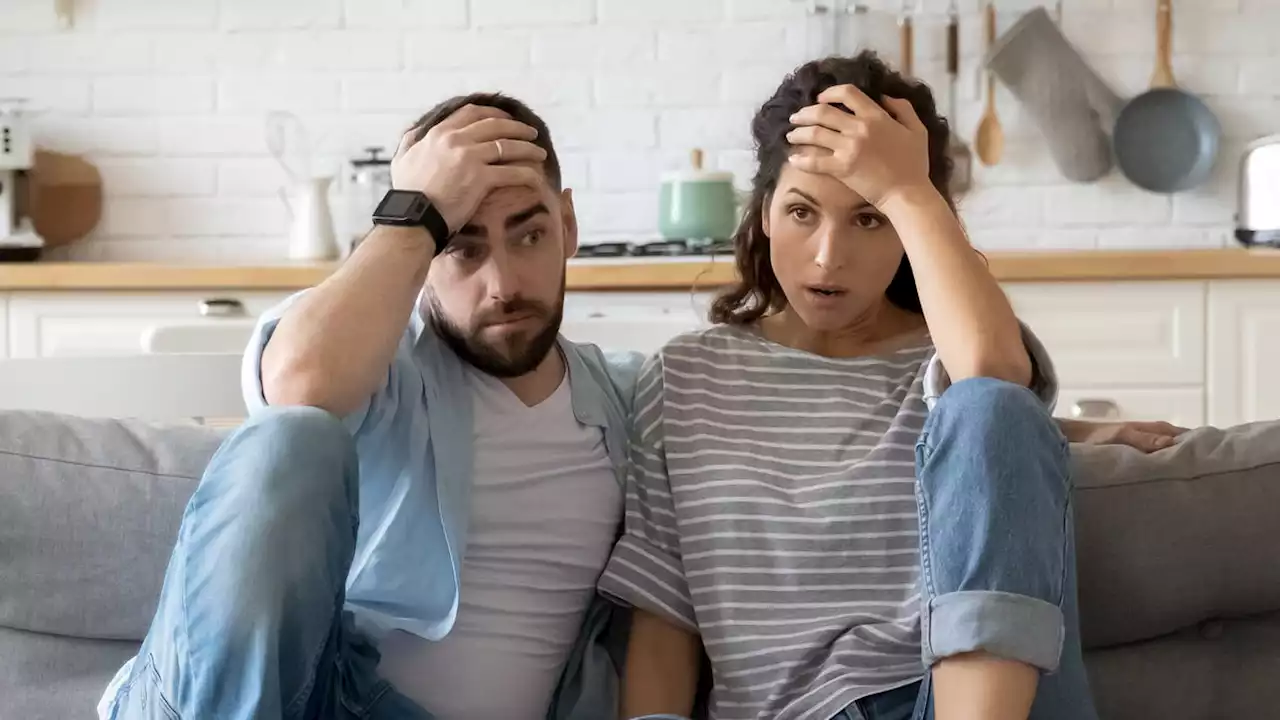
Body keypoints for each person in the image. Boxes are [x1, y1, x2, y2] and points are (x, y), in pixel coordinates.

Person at [596, 53, 1186, 720]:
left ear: (910, 234)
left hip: (962, 697)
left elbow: (993, 386)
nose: (827, 256)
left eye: (869, 218)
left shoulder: (950, 360)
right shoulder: (684, 378)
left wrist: (909, 190)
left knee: (990, 406)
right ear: (762, 213)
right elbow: (663, 617)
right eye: (800, 212)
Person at [97, 93, 642, 720]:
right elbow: (298, 391)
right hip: (311, 696)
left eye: (531, 235)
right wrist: (415, 214)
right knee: (292, 440)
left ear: (569, 225)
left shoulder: (627, 398)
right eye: (462, 247)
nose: (504, 285)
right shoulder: (382, 363)